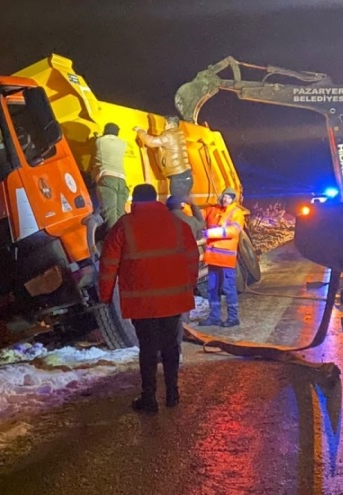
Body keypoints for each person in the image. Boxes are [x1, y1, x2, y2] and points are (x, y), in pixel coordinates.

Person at [99, 184, 199, 413]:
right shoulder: (177, 224)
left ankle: (149, 398)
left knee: (148, 349)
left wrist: (105, 296)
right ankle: (173, 393)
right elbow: (192, 256)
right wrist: (188, 286)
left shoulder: (124, 226)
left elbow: (108, 264)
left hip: (142, 303)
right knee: (172, 346)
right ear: (156, 200)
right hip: (173, 301)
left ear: (134, 201)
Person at [199, 187, 245, 328]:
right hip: (213, 258)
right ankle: (215, 317)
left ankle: (233, 317)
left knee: (228, 288)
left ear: (233, 199)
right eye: (224, 196)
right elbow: (198, 214)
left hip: (226, 260)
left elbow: (233, 231)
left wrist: (209, 233)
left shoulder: (236, 213)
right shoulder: (214, 210)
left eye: (229, 197)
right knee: (212, 289)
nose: (226, 199)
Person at [134, 116, 193, 200]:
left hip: (178, 178)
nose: (164, 127)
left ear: (170, 125)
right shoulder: (179, 134)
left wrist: (140, 131)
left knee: (176, 206)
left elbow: (151, 142)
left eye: (165, 124)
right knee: (183, 204)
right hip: (186, 175)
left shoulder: (169, 134)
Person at [92, 123, 129, 231]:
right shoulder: (123, 143)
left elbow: (97, 142)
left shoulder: (100, 141)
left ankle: (113, 240)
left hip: (107, 178)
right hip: (122, 180)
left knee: (110, 213)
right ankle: (123, 239)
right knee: (120, 213)